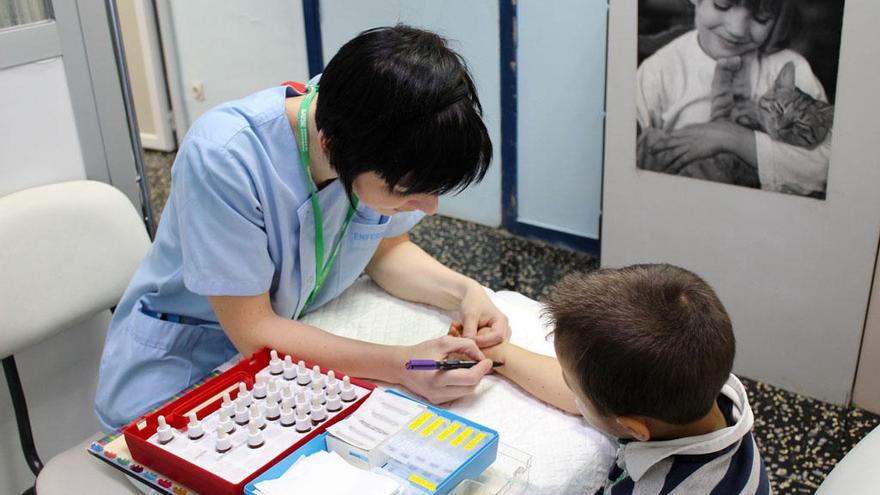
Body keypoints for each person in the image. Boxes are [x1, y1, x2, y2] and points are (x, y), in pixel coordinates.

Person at [94, 25, 511, 432]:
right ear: (331, 146)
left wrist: (465, 293)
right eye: (406, 191)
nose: (430, 208)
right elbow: (254, 332)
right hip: (182, 374)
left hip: (282, 361)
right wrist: (401, 364)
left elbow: (387, 251)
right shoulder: (225, 158)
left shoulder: (373, 121)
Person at [475, 265, 770, 494]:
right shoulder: (712, 389)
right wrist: (498, 354)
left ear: (633, 428)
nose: (564, 384)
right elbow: (590, 396)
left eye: (569, 382)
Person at [637, 0, 831, 197]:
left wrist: (732, 138)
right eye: (722, 6)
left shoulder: (790, 68)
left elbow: (824, 168)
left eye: (761, 18)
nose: (737, 30)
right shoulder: (658, 70)